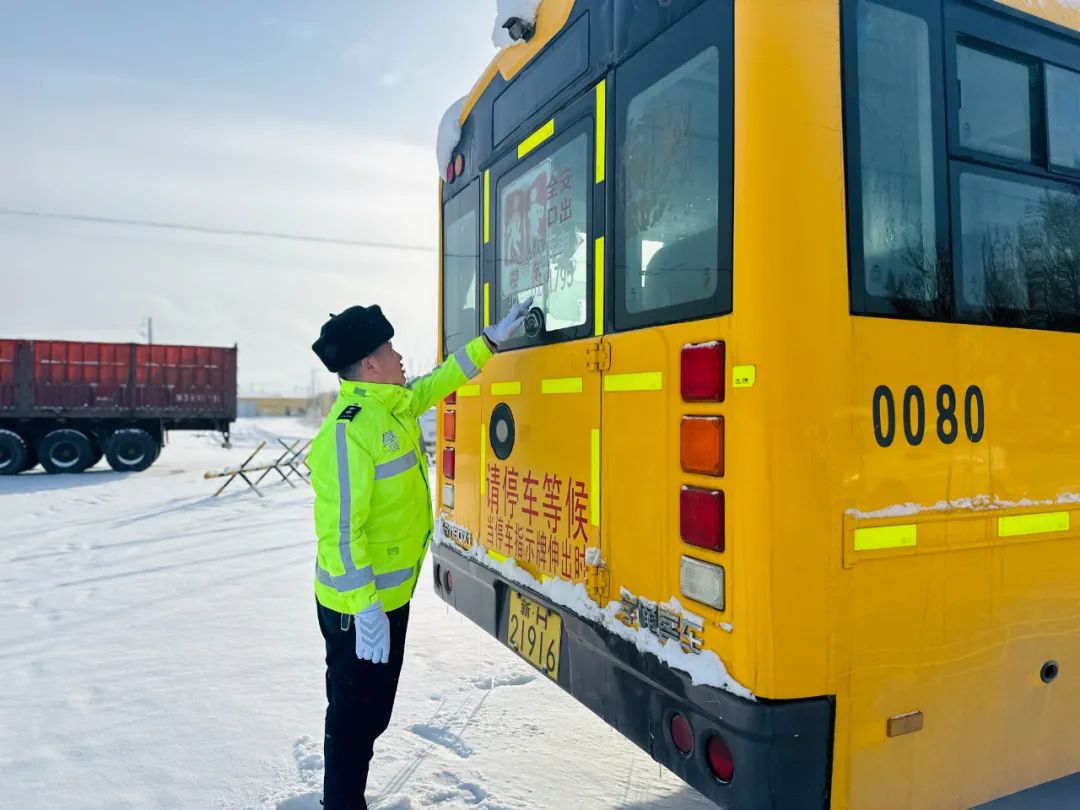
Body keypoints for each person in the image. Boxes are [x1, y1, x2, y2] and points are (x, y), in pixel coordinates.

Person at [308, 298, 532, 809]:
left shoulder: (392, 405)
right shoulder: (348, 431)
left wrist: (490, 342)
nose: (399, 357)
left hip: (385, 599)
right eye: (389, 349)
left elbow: (438, 381)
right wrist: (365, 608)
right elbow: (340, 534)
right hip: (356, 608)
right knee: (351, 722)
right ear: (369, 363)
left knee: (369, 716)